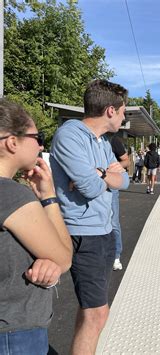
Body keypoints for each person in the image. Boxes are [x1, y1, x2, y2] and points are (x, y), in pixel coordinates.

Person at [50, 79, 129, 354]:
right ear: (110, 110)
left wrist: (102, 174)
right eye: (122, 112)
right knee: (96, 314)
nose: (123, 117)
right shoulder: (70, 136)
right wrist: (106, 176)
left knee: (92, 312)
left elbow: (127, 179)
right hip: (83, 233)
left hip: (103, 232)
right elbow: (90, 187)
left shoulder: (103, 142)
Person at [0, 99, 72, 354]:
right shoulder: (10, 195)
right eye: (37, 137)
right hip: (13, 333)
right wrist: (48, 196)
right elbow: (64, 257)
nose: (41, 145)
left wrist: (46, 261)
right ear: (12, 142)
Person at [110, 135, 129, 271]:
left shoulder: (113, 140)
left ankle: (116, 256)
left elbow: (126, 161)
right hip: (91, 185)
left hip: (110, 186)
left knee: (113, 222)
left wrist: (114, 168)